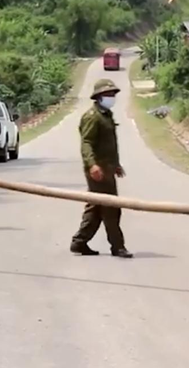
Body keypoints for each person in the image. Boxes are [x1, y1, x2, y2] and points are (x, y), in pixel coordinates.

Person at [70, 79, 132, 258]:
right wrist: (92, 165)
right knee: (111, 207)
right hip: (98, 170)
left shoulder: (106, 115)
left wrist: (116, 164)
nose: (111, 97)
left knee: (96, 208)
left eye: (113, 94)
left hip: (107, 168)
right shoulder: (92, 116)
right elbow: (87, 143)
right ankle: (118, 246)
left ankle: (79, 242)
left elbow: (109, 144)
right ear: (98, 97)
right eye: (107, 94)